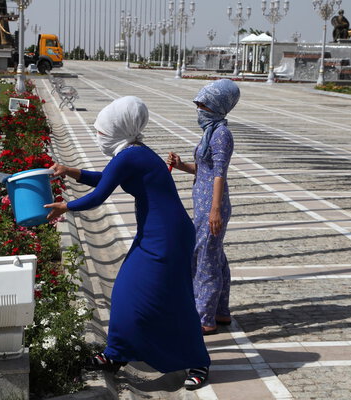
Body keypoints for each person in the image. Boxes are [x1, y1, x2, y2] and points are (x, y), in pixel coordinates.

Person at [44, 96, 211, 390]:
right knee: (126, 292)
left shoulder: (132, 155)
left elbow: (100, 194)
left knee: (173, 297)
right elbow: (107, 178)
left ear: (121, 128)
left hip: (167, 237)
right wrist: (69, 170)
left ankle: (198, 361)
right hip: (155, 233)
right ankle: (117, 353)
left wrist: (65, 207)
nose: (100, 136)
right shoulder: (134, 152)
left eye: (104, 131)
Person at [168, 79, 240, 336]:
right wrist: (181, 165)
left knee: (205, 259)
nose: (199, 109)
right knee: (215, 256)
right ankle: (221, 311)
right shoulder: (211, 132)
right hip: (204, 205)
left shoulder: (221, 134)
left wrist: (215, 210)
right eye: (198, 103)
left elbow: (219, 174)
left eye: (204, 104)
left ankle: (205, 318)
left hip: (212, 206)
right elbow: (205, 170)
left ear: (218, 106)